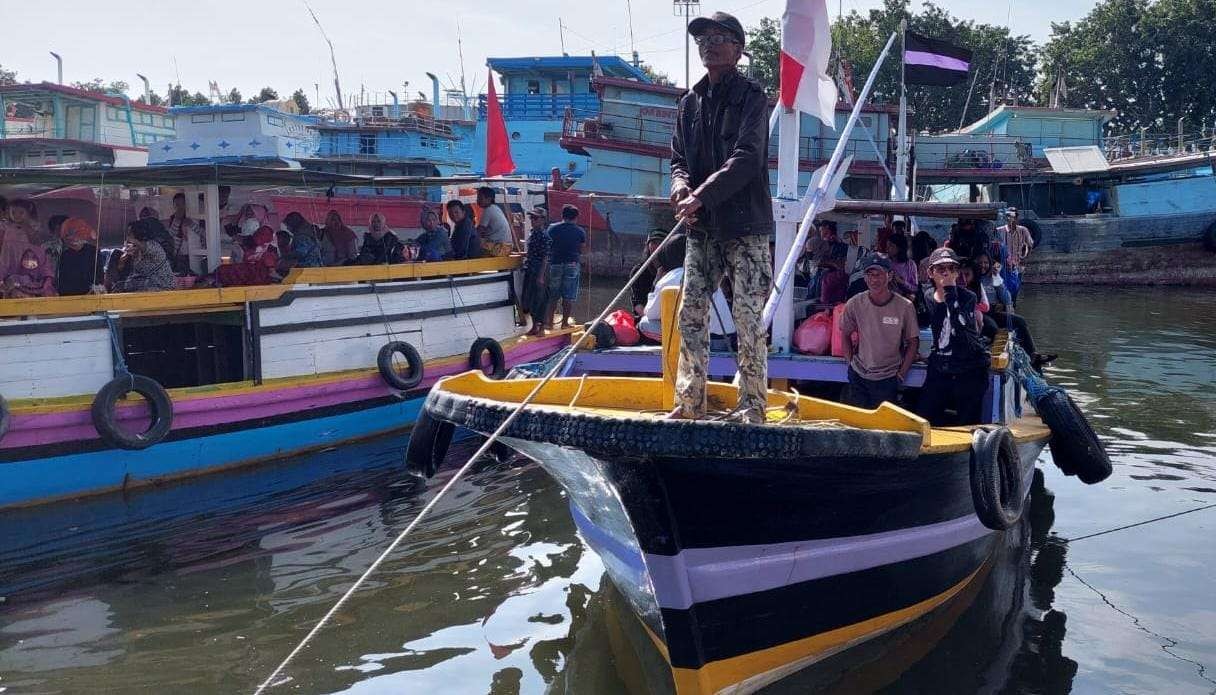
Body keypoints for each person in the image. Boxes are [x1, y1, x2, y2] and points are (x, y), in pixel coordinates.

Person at [669, 10, 773, 422]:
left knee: (748, 317)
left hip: (745, 227)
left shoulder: (753, 97)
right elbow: (677, 159)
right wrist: (679, 188)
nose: (709, 44)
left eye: (719, 36)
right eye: (703, 38)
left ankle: (753, 405)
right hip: (703, 229)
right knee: (690, 313)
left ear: (739, 48)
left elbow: (747, 159)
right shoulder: (688, 104)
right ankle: (689, 402)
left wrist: (701, 196)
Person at [917, 248, 991, 426]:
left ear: (957, 273)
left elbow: (961, 327)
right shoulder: (928, 296)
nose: (946, 273)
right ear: (931, 273)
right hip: (941, 365)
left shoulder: (968, 297)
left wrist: (950, 292)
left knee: (968, 420)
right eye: (940, 269)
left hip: (969, 365)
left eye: (951, 268)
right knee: (924, 414)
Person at [838, 254, 920, 409]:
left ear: (889, 276)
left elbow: (913, 342)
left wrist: (901, 374)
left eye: (878, 274)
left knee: (882, 428)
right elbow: (845, 333)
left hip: (888, 377)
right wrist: (850, 364)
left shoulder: (905, 306)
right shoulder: (855, 303)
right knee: (858, 425)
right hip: (859, 375)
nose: (874, 280)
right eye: (869, 274)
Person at [544, 205, 586, 329]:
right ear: (576, 217)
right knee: (568, 295)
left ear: (562, 215)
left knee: (553, 294)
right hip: (572, 264)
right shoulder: (580, 231)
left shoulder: (552, 229)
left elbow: (547, 246)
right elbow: (582, 249)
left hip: (555, 263)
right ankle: (564, 324)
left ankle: (549, 323)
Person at [113, 219, 176, 293]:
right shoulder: (135, 254)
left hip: (163, 289)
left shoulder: (154, 246)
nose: (127, 238)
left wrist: (133, 242)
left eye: (129, 234)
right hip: (148, 288)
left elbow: (144, 246)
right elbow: (133, 277)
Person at [53, 217, 103, 296]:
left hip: (91, 299)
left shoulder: (93, 252)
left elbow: (99, 278)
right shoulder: (64, 255)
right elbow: (62, 283)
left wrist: (93, 291)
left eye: (76, 233)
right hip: (70, 300)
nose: (73, 238)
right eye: (68, 235)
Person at [522, 207, 551, 336]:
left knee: (541, 298)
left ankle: (542, 327)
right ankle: (534, 326)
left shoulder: (544, 236)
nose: (532, 220)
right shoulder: (533, 233)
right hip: (531, 267)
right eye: (531, 218)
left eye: (535, 218)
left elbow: (545, 257)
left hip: (540, 269)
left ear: (543, 220)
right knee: (531, 298)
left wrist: (541, 275)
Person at [996, 208, 1034, 301]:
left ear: (1017, 218)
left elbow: (1030, 245)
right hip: (1002, 266)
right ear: (1006, 218)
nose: (1011, 219)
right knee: (1001, 289)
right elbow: (994, 249)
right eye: (1009, 217)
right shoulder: (999, 231)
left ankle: (1013, 304)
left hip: (1017, 265)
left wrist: (1024, 259)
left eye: (1013, 217)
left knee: (1015, 289)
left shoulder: (1023, 230)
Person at [630, 229, 668, 315]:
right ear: (647, 246)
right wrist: (649, 316)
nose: (657, 246)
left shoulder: (673, 271)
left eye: (661, 243)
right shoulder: (639, 271)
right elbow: (637, 304)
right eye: (654, 243)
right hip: (646, 318)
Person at [164, 192, 202, 273]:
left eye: (183, 204)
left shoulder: (196, 216)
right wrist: (177, 220)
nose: (180, 207)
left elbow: (204, 234)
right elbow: (170, 237)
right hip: (180, 256)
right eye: (177, 204)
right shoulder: (173, 218)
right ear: (174, 206)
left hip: (197, 254)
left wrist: (191, 224)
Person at [474, 187, 514, 257]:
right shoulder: (496, 208)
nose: (478, 200)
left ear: (489, 199)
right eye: (478, 198)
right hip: (506, 246)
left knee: (473, 247)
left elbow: (479, 230)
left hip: (500, 247)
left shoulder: (488, 210)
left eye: (480, 198)